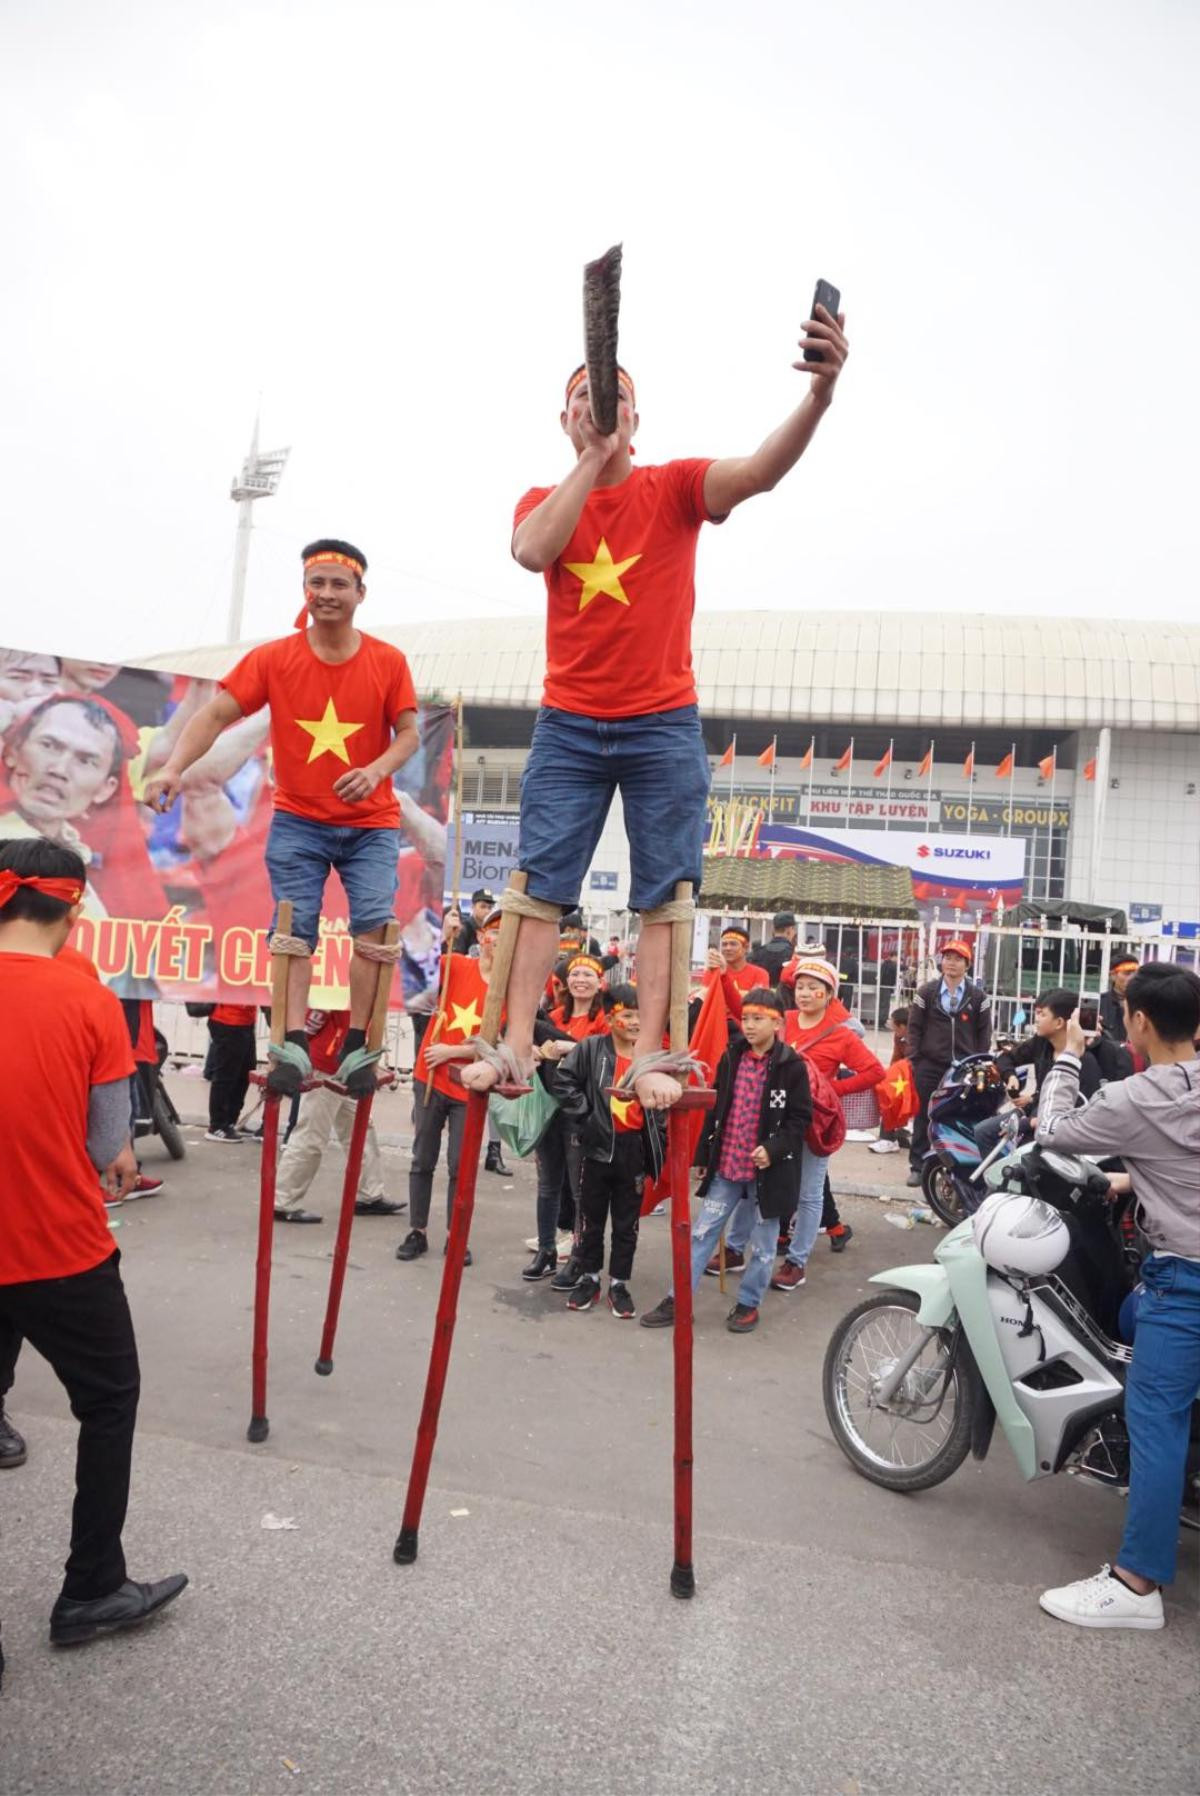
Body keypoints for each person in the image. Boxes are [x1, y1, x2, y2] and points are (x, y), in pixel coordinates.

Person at [462, 309, 849, 1113]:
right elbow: (534, 550)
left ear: (639, 417)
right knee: (537, 888)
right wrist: (593, 460)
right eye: (581, 401)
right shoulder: (545, 497)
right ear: (564, 420)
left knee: (667, 889)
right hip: (569, 723)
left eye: (613, 401)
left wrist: (820, 395)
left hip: (661, 721)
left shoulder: (672, 486)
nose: (598, 409)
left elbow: (759, 472)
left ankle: (649, 1054)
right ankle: (514, 1038)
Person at [0, 838, 186, 1672]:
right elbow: (109, 1140)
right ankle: (90, 1588)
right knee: (107, 1401)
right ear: (73, 910)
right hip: (56, 1246)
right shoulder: (85, 997)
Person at [144, 539, 419, 1098]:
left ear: (360, 594)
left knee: (375, 931)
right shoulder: (274, 658)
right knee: (293, 930)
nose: (326, 594)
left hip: (371, 824)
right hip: (299, 820)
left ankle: (359, 1047)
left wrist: (375, 769)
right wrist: (173, 768)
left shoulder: (388, 660)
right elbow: (215, 714)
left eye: (338, 584)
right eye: (316, 583)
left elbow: (410, 733)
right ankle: (289, 1044)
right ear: (305, 591)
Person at [1034, 963, 1200, 1631]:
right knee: (1128, 1319)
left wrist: (1068, 1057)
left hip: (1185, 1279)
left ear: (1139, 1022)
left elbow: (1053, 1131)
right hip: (1171, 1273)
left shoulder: (1137, 1097)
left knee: (1155, 1416)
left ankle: (1136, 1584)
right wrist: (1134, 1183)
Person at [641, 990, 813, 1335]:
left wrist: (774, 1149)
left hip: (770, 1172)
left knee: (764, 1247)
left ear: (777, 1022)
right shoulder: (732, 1056)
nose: (749, 1026)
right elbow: (716, 1108)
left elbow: (800, 1120)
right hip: (728, 1167)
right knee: (701, 1233)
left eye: (758, 1019)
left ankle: (749, 1303)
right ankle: (680, 1300)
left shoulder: (791, 1066)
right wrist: (706, 1154)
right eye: (746, 1018)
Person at [540, 985, 663, 1317]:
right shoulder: (592, 1048)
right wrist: (586, 1117)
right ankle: (590, 1278)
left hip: (632, 1152)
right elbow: (563, 1081)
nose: (636, 1022)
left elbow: (662, 1106)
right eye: (627, 1015)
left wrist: (658, 1140)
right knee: (590, 1221)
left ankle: (619, 1284)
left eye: (641, 1016)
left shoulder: (651, 1056)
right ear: (610, 1019)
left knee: (627, 1225)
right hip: (595, 1150)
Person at [763, 958, 882, 1287]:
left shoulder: (841, 1036)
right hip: (775, 1117)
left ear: (829, 995)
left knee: (810, 1193)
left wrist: (834, 1089)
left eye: (814, 989)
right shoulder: (782, 1021)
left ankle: (796, 1262)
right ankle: (759, 1248)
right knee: (772, 1183)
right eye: (800, 987)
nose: (804, 993)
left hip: (816, 1122)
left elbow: (875, 1071)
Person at [395, 906, 503, 1265]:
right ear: (483, 938)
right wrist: (442, 934)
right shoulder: (457, 964)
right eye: (493, 933)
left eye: (507, 936)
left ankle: (456, 1236)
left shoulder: (507, 991)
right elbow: (416, 970)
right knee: (422, 1157)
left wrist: (452, 1051)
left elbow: (498, 1041)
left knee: (462, 1165)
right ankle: (417, 1231)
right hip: (431, 1077)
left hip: (470, 1086)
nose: (498, 941)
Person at [272, 1009, 404, 1225]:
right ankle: (283, 1200)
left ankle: (369, 1194)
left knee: (361, 1131)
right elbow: (311, 1022)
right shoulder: (335, 987)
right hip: (328, 1065)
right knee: (311, 1135)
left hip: (346, 1065)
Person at [525, 954, 612, 1281]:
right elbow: (527, 1040)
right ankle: (547, 1249)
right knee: (547, 1185)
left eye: (588, 975)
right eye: (575, 974)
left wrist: (565, 1048)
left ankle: (579, 1255)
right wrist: (532, 1050)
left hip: (581, 1111)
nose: (581, 980)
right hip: (548, 1107)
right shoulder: (551, 1016)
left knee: (579, 1189)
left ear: (600, 982)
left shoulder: (603, 1021)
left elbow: (604, 1057)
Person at [905, 939, 992, 1186]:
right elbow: (914, 1029)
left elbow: (983, 1034)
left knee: (960, 1115)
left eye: (958, 959)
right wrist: (915, 1059)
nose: (951, 963)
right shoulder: (927, 993)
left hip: (964, 1068)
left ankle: (957, 1164)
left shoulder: (978, 997)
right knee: (925, 1113)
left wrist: (978, 1063)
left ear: (967, 965)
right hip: (930, 1065)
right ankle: (918, 1165)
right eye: (947, 958)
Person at [204, 1002, 258, 1142]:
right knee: (225, 1075)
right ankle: (217, 1125)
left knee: (244, 1073)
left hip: (245, 1018)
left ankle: (229, 1121)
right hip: (228, 1020)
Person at [704, 924, 770, 1022]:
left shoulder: (760, 974)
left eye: (733, 944)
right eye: (724, 944)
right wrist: (744, 995)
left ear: (746, 947)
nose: (728, 948)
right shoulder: (712, 973)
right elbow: (710, 1004)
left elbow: (756, 1008)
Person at [870, 1006, 911, 1154]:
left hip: (915, 1074)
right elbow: (896, 1057)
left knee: (892, 1094)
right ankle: (893, 1133)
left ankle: (888, 1138)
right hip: (904, 1073)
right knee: (886, 1088)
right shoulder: (899, 1037)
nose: (894, 1030)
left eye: (895, 1026)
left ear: (903, 1026)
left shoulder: (918, 1037)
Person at [1098, 955, 1139, 1046]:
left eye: (1135, 974)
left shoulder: (1143, 1004)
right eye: (1127, 973)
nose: (1132, 978)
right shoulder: (1100, 1003)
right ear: (1113, 975)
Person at [750, 913, 800, 987]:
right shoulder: (794, 954)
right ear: (789, 930)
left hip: (762, 996)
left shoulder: (757, 952)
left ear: (773, 929)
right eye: (794, 929)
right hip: (784, 997)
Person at [453, 888, 496, 956]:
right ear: (472, 907)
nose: (487, 911)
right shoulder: (463, 929)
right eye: (483, 906)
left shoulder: (490, 930)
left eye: (490, 907)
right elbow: (456, 958)